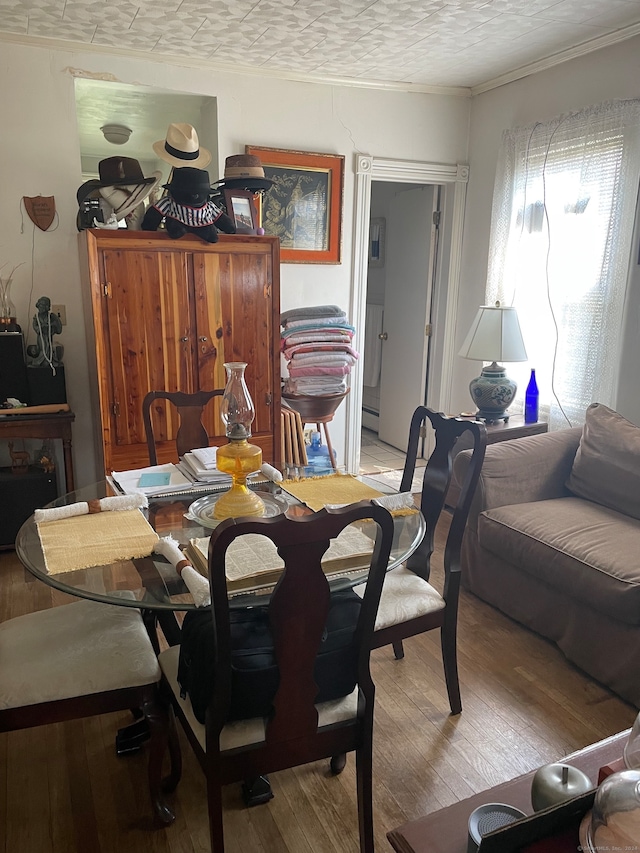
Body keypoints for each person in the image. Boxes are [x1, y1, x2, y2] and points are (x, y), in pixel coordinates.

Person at [27, 296, 63, 367]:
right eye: (40, 305)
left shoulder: (51, 317)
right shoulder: (36, 317)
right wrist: (39, 329)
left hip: (48, 335)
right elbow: (35, 326)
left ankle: (50, 360)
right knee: (42, 347)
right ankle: (40, 361)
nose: (41, 307)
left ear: (47, 307)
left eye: (43, 305)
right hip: (41, 335)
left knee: (48, 347)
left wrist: (50, 326)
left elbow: (57, 327)